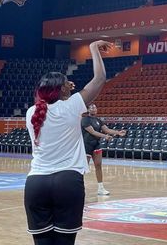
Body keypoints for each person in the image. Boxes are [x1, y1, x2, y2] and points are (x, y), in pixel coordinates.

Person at [24, 40, 111, 245]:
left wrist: (63, 91)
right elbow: (100, 78)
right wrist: (93, 49)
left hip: (36, 183)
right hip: (67, 182)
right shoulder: (72, 106)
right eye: (66, 84)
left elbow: (45, 99)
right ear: (62, 90)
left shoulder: (31, 113)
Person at [82, 103, 126, 196]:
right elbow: (93, 132)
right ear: (88, 110)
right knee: (83, 168)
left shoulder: (98, 120)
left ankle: (101, 188)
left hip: (96, 145)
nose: (94, 109)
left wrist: (118, 132)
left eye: (95, 107)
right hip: (86, 145)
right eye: (92, 107)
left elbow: (107, 130)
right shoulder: (85, 120)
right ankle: (79, 187)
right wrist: (105, 136)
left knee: (98, 166)